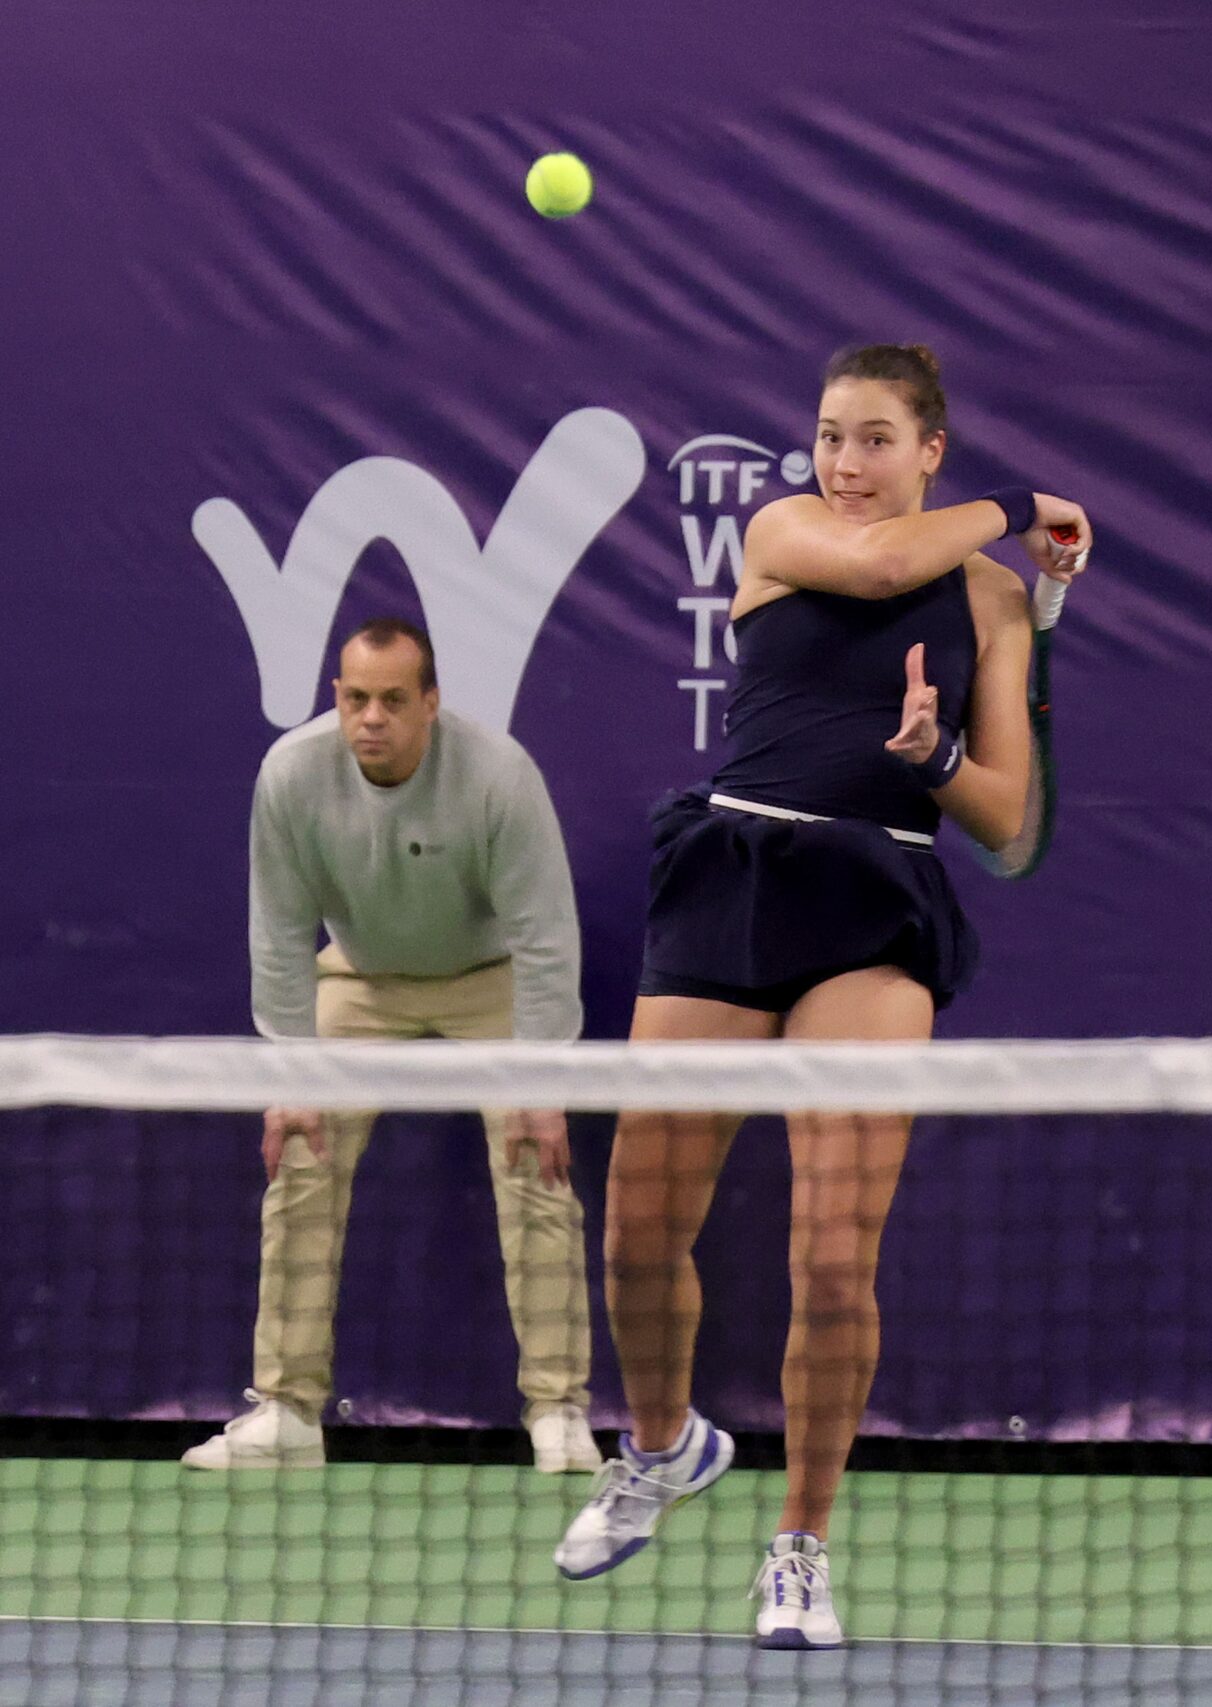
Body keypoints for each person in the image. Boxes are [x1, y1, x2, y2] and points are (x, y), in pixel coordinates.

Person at [552, 343, 1091, 1650]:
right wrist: (1024, 505)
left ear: (929, 450)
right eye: (831, 435)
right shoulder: (785, 532)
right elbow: (882, 566)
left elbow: (1009, 824)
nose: (844, 462)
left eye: (875, 439)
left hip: (875, 910)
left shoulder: (995, 601)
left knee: (836, 1256)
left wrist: (938, 754)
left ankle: (801, 1544)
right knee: (635, 1234)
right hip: (732, 879)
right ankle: (665, 1444)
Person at [187, 618, 598, 1476]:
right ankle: (287, 1410)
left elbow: (546, 938)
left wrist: (541, 1082)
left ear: (431, 703)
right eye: (356, 698)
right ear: (337, 698)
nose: (371, 717)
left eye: (393, 700)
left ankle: (559, 1409)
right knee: (301, 1152)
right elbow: (279, 934)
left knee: (535, 1160)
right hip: (362, 978)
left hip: (490, 978)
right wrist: (292, 1076)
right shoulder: (292, 774)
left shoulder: (498, 775)